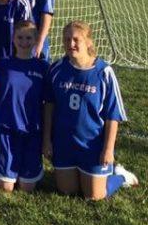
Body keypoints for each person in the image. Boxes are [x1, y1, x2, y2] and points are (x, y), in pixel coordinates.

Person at [43, 21, 138, 201]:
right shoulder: (56, 69)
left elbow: (112, 116)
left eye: (76, 39)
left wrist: (108, 150)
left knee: (94, 196)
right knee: (67, 192)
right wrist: (47, 140)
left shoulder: (104, 72)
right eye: (67, 39)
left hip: (92, 146)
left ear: (88, 42)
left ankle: (120, 176)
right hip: (64, 143)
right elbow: (49, 106)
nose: (71, 44)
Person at [0, 20, 48, 192]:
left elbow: (48, 103)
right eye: (20, 37)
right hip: (6, 129)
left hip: (32, 130)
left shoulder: (43, 67)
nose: (24, 42)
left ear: (36, 39)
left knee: (27, 187)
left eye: (29, 38)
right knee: (6, 187)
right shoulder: (2, 64)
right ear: (13, 39)